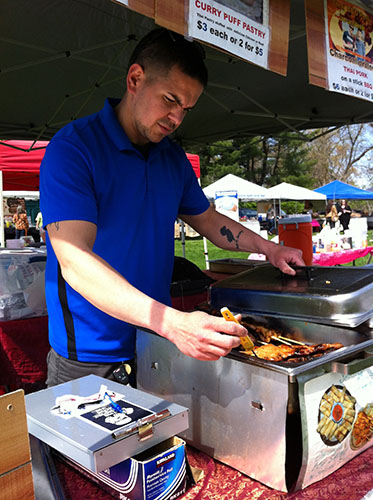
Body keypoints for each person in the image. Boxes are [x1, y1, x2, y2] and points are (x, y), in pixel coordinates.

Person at [40, 28, 304, 388]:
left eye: (186, 108)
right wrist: (172, 322)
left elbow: (208, 220)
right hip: (89, 358)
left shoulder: (172, 157)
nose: (177, 118)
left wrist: (269, 248)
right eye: (169, 99)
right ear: (135, 79)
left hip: (155, 347)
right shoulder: (74, 149)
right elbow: (75, 261)